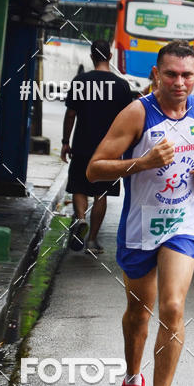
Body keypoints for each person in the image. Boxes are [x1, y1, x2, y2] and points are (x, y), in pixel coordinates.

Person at [87, 41, 194, 386]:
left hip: (185, 220)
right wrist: (141, 163)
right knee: (138, 314)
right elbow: (95, 169)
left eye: (187, 75)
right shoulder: (136, 113)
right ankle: (132, 382)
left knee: (174, 307)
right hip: (142, 224)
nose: (179, 82)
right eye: (171, 74)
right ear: (156, 75)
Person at [61, 40, 133, 253]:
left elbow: (71, 114)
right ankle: (92, 240)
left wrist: (66, 142)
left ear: (92, 56)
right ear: (110, 56)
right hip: (110, 150)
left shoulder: (80, 82)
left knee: (79, 187)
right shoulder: (121, 85)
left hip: (82, 144)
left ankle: (81, 218)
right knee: (101, 193)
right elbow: (128, 119)